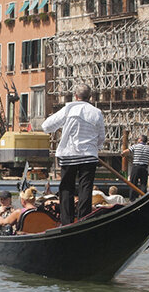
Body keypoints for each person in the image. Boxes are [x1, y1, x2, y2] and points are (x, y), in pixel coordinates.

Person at [41, 84, 105, 225]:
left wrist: (61, 127)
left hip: (68, 154)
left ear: (75, 96)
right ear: (90, 97)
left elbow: (46, 126)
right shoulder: (96, 112)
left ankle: (67, 222)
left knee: (66, 189)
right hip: (89, 155)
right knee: (85, 189)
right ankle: (83, 220)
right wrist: (95, 147)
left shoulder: (68, 109)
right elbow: (101, 137)